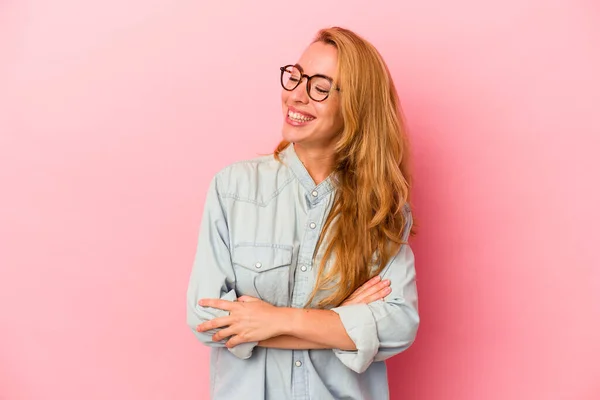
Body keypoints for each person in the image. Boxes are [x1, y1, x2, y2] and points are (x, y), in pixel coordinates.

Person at [186, 26, 419, 400]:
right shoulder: (233, 189)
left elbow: (398, 326)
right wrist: (341, 322)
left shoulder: (382, 208)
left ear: (356, 106)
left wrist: (273, 321)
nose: (296, 95)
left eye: (320, 88)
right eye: (296, 76)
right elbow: (205, 320)